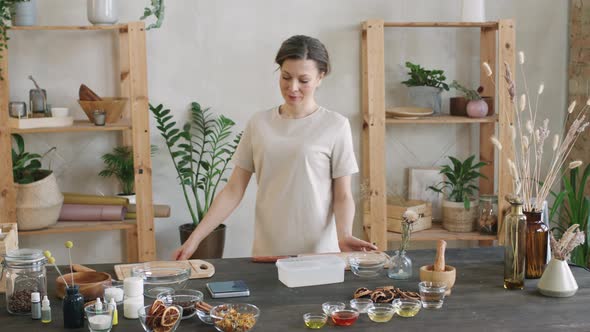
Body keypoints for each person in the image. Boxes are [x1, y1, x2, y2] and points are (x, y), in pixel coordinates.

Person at [173, 35, 377, 260]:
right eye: (286, 77)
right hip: (268, 252)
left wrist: (344, 234)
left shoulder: (336, 125)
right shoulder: (259, 123)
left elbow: (343, 195)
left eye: (304, 80)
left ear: (321, 76)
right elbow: (233, 190)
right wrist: (195, 239)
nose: (293, 87)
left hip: (319, 254)